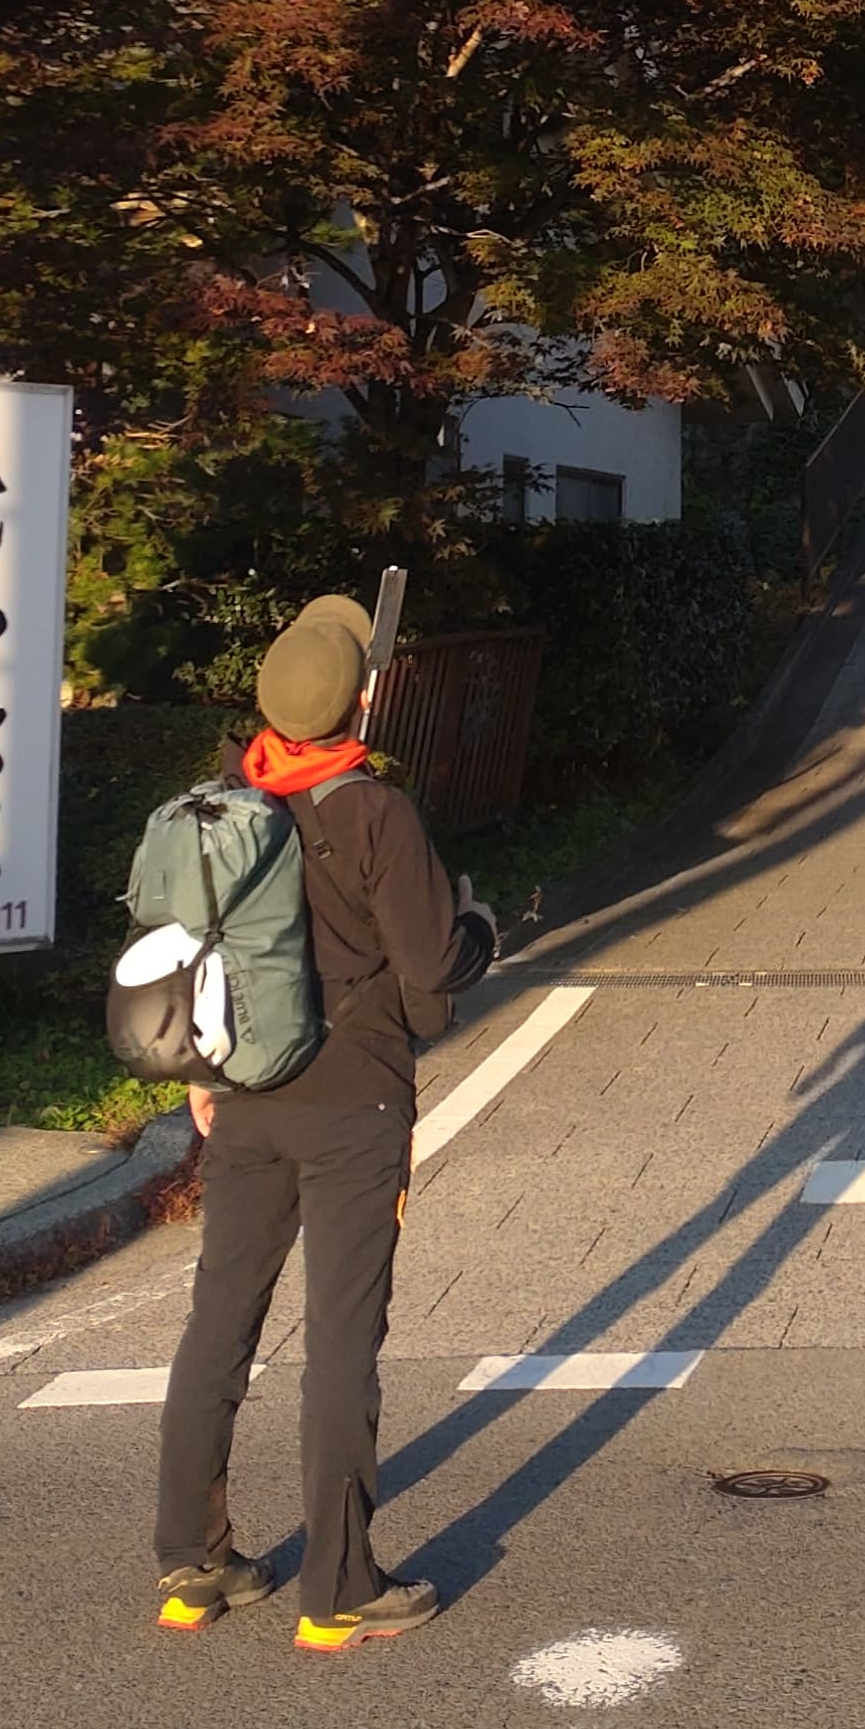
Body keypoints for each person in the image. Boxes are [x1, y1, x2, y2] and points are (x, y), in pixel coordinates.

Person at [153, 592, 494, 1647]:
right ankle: (339, 1586)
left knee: (221, 1323)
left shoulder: (218, 803)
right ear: (357, 703)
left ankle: (194, 1561)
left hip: (242, 1096)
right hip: (354, 1098)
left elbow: (184, 952)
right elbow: (432, 968)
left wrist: (199, 1075)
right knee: (342, 1337)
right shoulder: (373, 811)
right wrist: (478, 928)